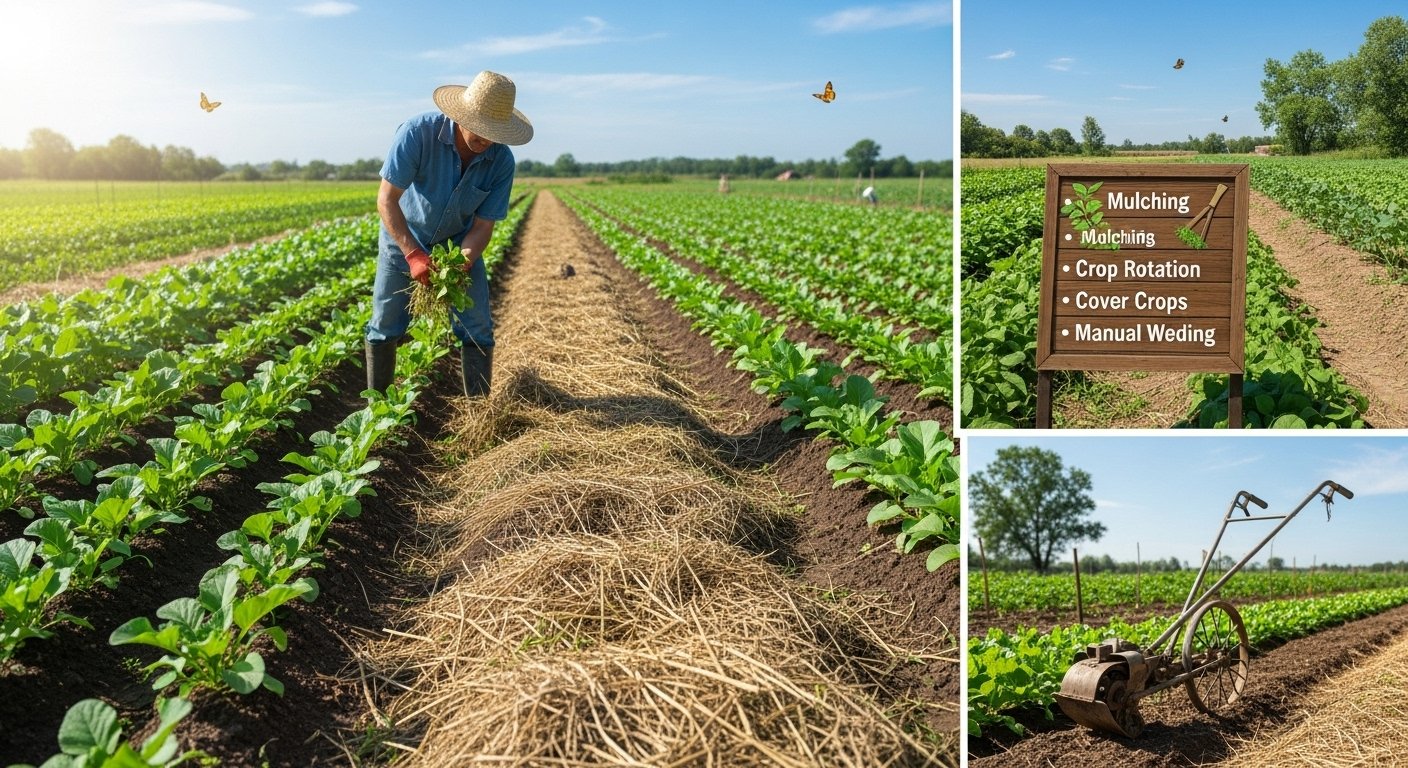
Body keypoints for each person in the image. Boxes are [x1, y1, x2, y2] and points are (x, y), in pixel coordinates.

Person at [364, 70, 533, 400]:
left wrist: (461, 265)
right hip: (405, 239)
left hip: (458, 246)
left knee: (478, 328)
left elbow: (483, 226)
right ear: (462, 116)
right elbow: (386, 200)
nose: (487, 140)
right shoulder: (417, 134)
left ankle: (479, 412)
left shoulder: (501, 162)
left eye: (495, 134)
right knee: (384, 326)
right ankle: (376, 414)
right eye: (481, 129)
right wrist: (414, 255)